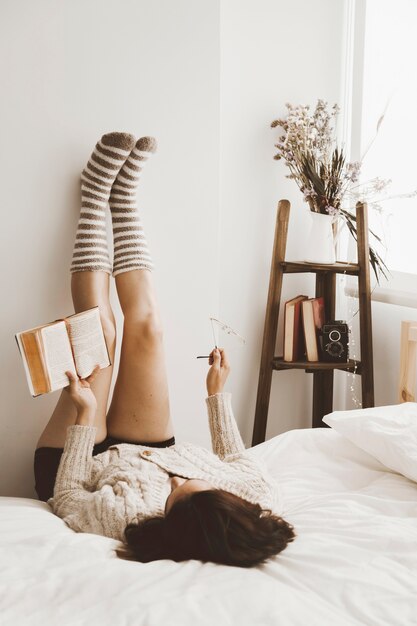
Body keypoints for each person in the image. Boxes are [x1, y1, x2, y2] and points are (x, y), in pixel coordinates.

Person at [34, 132, 295, 567]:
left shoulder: (128, 519)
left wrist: (84, 415)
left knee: (102, 333)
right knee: (150, 328)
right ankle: (124, 199)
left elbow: (68, 496)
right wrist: (216, 394)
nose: (175, 480)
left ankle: (95, 193)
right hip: (147, 444)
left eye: (174, 494)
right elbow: (233, 457)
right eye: (191, 483)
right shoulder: (254, 498)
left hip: (76, 464)